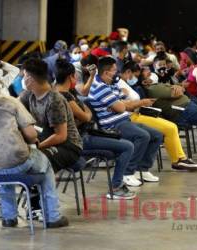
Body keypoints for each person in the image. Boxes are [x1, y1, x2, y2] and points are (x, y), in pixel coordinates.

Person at [0, 71, 68, 228]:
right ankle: (53, 216)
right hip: (17, 160)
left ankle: (9, 217)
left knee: (3, 169)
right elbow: (31, 135)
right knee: (45, 163)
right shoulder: (10, 101)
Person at [54, 59, 136, 199]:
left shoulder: (61, 91)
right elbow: (86, 117)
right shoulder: (65, 97)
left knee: (119, 145)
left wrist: (91, 77)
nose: (77, 79)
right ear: (70, 77)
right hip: (79, 140)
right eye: (75, 76)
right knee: (127, 146)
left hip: (82, 135)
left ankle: (118, 183)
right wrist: (87, 111)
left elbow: (84, 96)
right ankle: (116, 187)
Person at [88, 56, 164, 187]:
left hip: (124, 120)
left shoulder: (109, 84)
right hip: (112, 125)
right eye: (114, 71)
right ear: (106, 72)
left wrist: (122, 103)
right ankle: (127, 173)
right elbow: (121, 107)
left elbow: (123, 97)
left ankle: (143, 168)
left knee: (157, 135)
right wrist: (140, 102)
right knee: (142, 135)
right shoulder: (100, 87)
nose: (116, 73)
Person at [118, 61, 197, 171]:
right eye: (136, 75)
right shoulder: (120, 85)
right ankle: (177, 160)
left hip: (138, 114)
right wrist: (142, 102)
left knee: (171, 127)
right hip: (131, 117)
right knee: (169, 128)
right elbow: (123, 106)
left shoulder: (129, 84)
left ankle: (179, 159)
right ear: (128, 72)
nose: (136, 78)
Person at [19, 58, 82, 172]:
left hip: (68, 146)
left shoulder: (54, 100)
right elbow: (13, 105)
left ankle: (43, 189)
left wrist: (37, 147)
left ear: (30, 78)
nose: (22, 79)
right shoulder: (29, 94)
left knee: (35, 162)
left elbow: (61, 136)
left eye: (24, 76)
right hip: (45, 138)